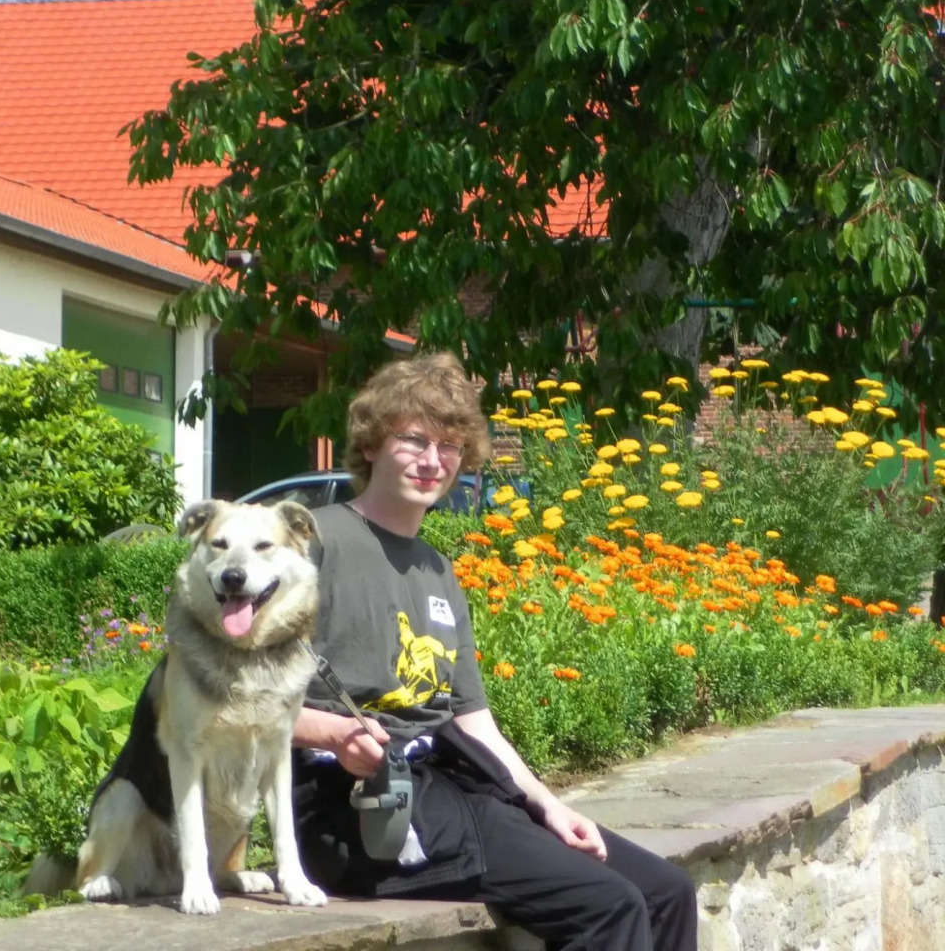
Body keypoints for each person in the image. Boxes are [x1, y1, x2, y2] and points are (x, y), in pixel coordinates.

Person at [291, 352, 697, 951]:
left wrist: (549, 806)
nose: (433, 461)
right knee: (607, 907)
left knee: (667, 891)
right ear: (372, 443)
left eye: (449, 446)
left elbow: (472, 721)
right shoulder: (312, 541)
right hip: (354, 808)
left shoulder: (437, 569)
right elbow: (219, 693)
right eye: (414, 440)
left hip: (446, 787)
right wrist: (331, 734)